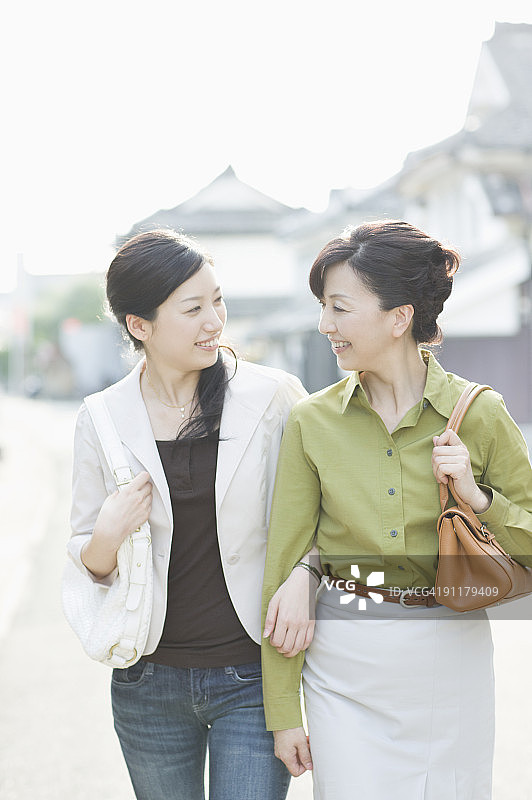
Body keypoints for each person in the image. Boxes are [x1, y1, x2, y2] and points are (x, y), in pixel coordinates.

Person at [261, 220, 532, 799]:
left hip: (449, 656)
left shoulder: (480, 414)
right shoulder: (311, 421)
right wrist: (283, 710)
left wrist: (478, 497)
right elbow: (283, 567)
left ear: (399, 317)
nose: (325, 325)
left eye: (339, 308)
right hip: (342, 664)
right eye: (323, 308)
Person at [67, 228, 309, 800]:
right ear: (140, 325)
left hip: (251, 675)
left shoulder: (272, 397)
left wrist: (307, 573)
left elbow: (318, 517)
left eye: (217, 301)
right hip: (147, 681)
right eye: (193, 308)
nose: (214, 321)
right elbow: (89, 560)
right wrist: (107, 535)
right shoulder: (102, 418)